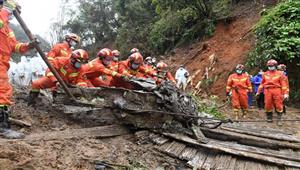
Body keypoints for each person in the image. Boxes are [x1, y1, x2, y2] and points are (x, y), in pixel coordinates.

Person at [0, 2, 38, 139]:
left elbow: (14, 46)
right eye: (11, 12)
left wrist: (28, 45)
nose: (11, 16)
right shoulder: (1, 19)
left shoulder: (8, 29)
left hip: (3, 62)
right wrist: (5, 11)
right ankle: (2, 127)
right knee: (2, 92)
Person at [256, 59, 289, 126]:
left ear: (275, 66)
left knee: (278, 104)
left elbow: (284, 85)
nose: (270, 67)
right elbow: (262, 84)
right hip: (267, 90)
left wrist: (285, 93)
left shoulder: (280, 74)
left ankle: (279, 119)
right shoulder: (265, 74)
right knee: (268, 104)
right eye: (269, 66)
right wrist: (258, 92)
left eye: (272, 66)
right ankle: (269, 117)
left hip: (277, 90)